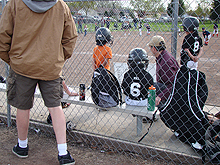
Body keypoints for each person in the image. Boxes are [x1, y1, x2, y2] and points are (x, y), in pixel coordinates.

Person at [0, 0, 78, 165]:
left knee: (23, 106)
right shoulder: (61, 6)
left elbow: (3, 36)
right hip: (50, 66)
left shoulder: (14, 4)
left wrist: (14, 60)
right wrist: (58, 58)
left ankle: (22, 146)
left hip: (22, 66)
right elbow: (70, 37)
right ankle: (63, 153)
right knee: (55, 107)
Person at [147, 35, 179, 107]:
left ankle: (161, 109)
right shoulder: (162, 56)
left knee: (152, 87)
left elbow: (173, 85)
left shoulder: (165, 62)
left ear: (154, 49)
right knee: (152, 85)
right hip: (167, 88)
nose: (150, 49)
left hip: (174, 92)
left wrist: (160, 96)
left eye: (150, 47)